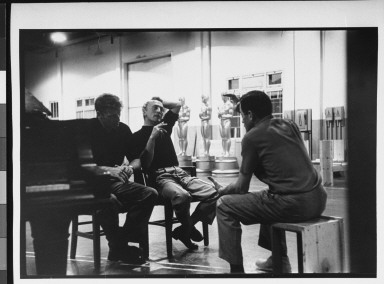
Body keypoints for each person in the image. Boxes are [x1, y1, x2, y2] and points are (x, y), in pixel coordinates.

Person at [209, 90, 327, 273]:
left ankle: (236, 271)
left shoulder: (252, 137)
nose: (241, 121)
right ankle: (278, 259)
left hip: (295, 205)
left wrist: (223, 190)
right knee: (269, 196)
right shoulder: (289, 124)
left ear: (250, 115)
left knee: (224, 205)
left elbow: (241, 187)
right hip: (319, 198)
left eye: (242, 116)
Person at [130, 97, 220, 250]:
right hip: (159, 177)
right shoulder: (136, 136)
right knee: (181, 196)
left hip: (179, 172)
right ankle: (188, 229)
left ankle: (184, 229)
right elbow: (145, 164)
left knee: (215, 193)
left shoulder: (165, 126)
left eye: (160, 108)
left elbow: (177, 105)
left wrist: (157, 101)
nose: (159, 111)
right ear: (144, 111)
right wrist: (152, 138)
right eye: (154, 108)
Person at [88, 93, 158, 264]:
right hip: (93, 184)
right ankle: (119, 246)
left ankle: (118, 244)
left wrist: (128, 167)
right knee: (108, 201)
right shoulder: (86, 131)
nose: (117, 120)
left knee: (150, 194)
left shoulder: (123, 129)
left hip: (117, 182)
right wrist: (108, 170)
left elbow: (136, 159)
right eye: (112, 116)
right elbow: (79, 167)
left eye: (118, 115)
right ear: (99, 114)